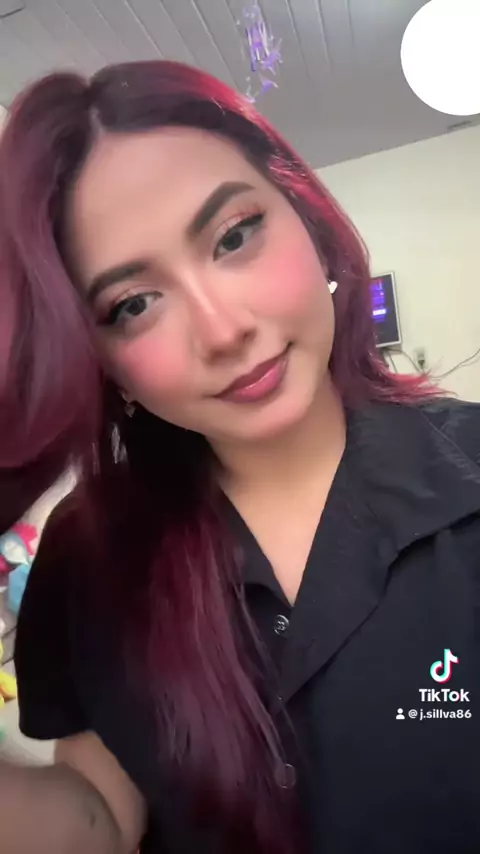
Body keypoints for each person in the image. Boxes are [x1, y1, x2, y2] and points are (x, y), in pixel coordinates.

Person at [0, 60, 479, 854]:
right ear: (100, 361)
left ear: (309, 219)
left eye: (233, 236)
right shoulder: (88, 555)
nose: (223, 331)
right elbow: (102, 818)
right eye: (134, 304)